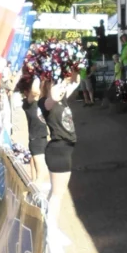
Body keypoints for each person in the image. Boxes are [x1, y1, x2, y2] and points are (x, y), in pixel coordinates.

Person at [40, 69, 80, 232]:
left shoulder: (62, 98)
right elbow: (53, 98)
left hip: (65, 150)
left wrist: (75, 68)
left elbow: (76, 82)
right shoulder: (45, 102)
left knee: (56, 193)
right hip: (58, 149)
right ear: (49, 85)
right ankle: (51, 230)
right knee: (58, 194)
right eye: (57, 84)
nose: (62, 87)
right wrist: (57, 82)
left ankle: (48, 226)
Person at [19, 76, 48, 185]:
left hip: (39, 138)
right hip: (37, 140)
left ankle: (33, 184)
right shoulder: (28, 103)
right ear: (27, 91)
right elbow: (35, 92)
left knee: (34, 163)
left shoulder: (39, 101)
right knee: (42, 173)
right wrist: (37, 74)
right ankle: (37, 194)